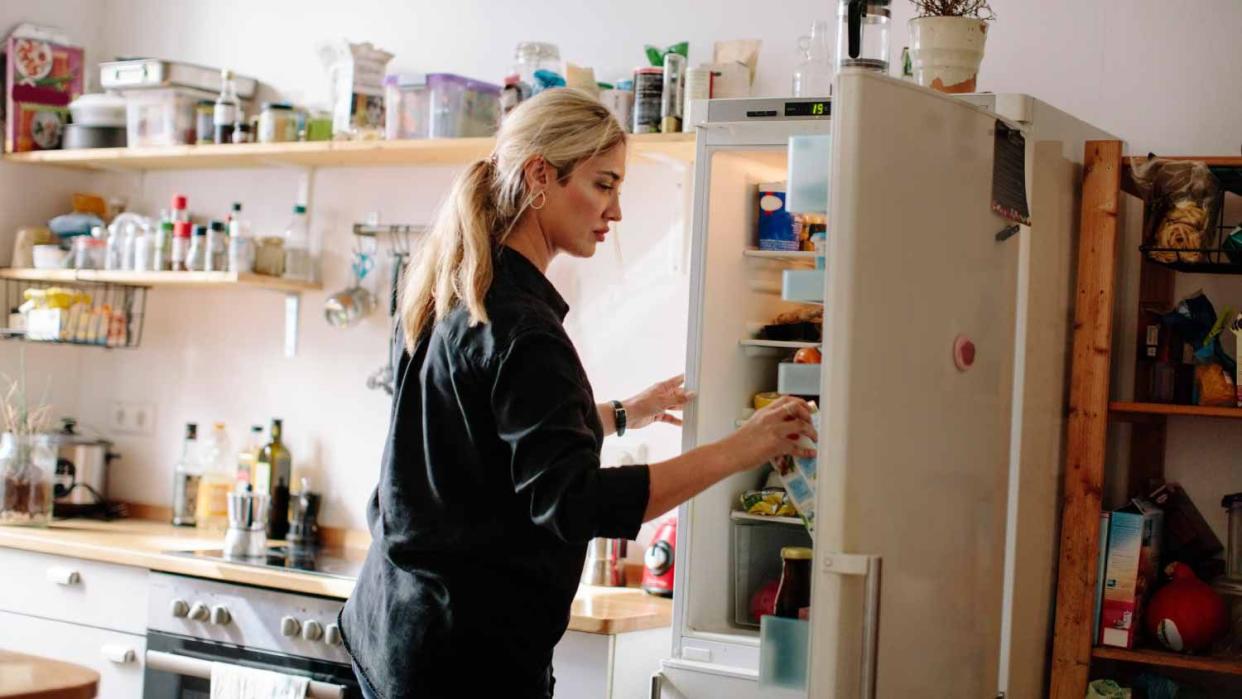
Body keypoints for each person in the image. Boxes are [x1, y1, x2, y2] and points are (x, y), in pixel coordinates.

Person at [340, 89, 817, 699]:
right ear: (541, 175)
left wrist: (623, 414)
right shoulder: (525, 328)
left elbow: (496, 435)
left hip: (394, 634)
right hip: (464, 661)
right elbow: (576, 502)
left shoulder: (465, 294)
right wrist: (741, 448)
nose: (615, 211)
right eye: (603, 184)